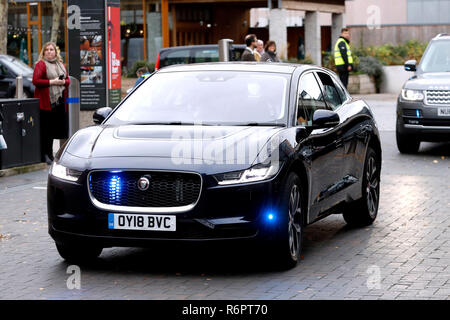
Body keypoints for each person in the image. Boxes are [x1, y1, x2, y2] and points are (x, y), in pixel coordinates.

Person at [32, 42, 70, 164]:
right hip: (46, 103)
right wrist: (52, 82)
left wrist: (63, 82)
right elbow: (36, 81)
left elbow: (68, 80)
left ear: (55, 52)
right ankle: (44, 155)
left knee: (53, 130)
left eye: (51, 49)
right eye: (47, 50)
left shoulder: (60, 65)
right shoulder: (41, 65)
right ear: (43, 53)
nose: (49, 52)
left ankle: (50, 154)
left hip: (59, 102)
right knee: (45, 131)